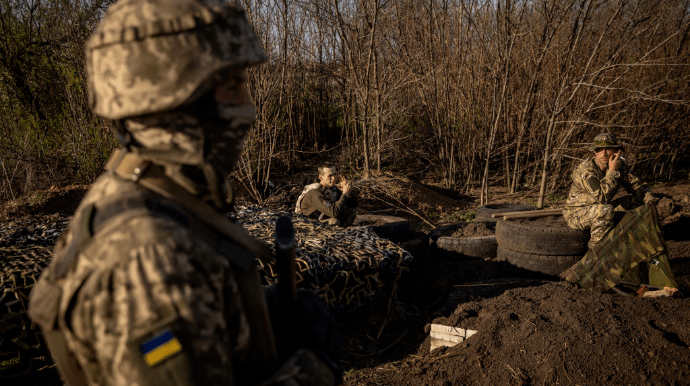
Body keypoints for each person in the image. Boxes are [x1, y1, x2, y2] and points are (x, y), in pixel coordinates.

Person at [27, 1, 340, 385]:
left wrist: (250, 313)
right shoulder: (149, 257)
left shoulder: (146, 187)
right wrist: (311, 374)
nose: (249, 108)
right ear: (172, 98)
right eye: (231, 86)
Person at [563, 132, 656, 247]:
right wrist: (612, 172)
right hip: (577, 213)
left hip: (603, 207)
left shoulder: (620, 165)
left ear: (616, 151)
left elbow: (638, 186)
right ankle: (596, 251)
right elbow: (601, 197)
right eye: (600, 150)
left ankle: (633, 238)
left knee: (639, 200)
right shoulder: (586, 170)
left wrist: (649, 199)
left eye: (608, 149)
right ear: (595, 152)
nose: (604, 154)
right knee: (605, 210)